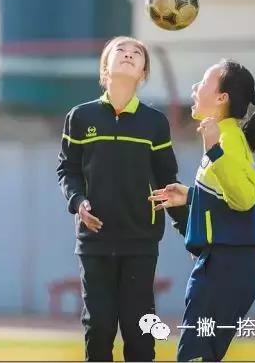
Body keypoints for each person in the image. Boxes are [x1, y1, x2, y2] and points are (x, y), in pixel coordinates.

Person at [56, 36, 189, 362]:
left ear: (143, 72)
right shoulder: (80, 117)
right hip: (94, 241)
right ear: (106, 66)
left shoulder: (154, 123)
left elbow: (167, 182)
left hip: (140, 241)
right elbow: (67, 170)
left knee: (140, 329)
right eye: (121, 51)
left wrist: (189, 231)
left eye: (137, 54)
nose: (129, 55)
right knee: (98, 328)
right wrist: (78, 202)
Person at [149, 59, 255, 362]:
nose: (194, 88)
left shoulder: (225, 139)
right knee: (201, 354)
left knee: (195, 354)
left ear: (221, 98)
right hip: (227, 263)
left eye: (203, 82)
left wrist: (215, 150)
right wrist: (192, 198)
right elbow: (229, 196)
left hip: (228, 263)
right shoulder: (225, 136)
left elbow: (244, 197)